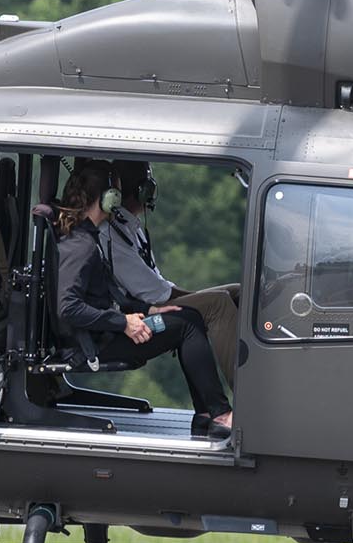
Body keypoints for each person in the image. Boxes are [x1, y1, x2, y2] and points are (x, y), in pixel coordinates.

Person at [54, 162, 233, 440]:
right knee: (186, 325)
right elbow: (68, 307)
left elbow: (113, 294)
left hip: (109, 331)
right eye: (115, 193)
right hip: (98, 343)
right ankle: (219, 414)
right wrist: (123, 322)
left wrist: (149, 309)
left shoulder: (90, 238)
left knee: (186, 318)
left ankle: (207, 414)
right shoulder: (82, 245)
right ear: (107, 198)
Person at [99, 160, 242, 386]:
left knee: (236, 291)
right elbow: (155, 294)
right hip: (138, 318)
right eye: (148, 186)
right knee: (219, 304)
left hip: (151, 302)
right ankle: (247, 396)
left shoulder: (128, 226)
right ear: (142, 190)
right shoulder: (110, 234)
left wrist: (196, 296)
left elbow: (158, 282)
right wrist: (200, 299)